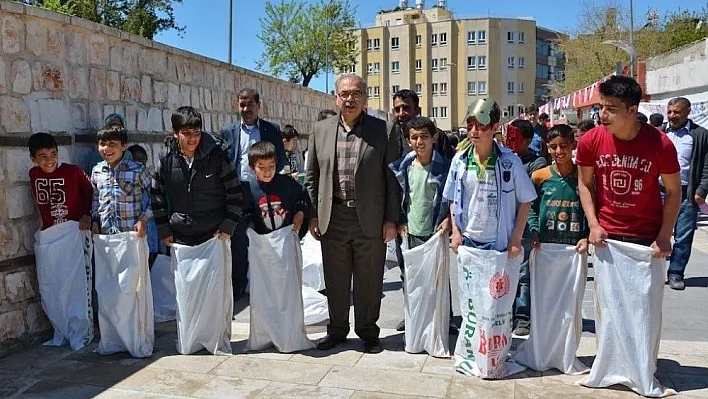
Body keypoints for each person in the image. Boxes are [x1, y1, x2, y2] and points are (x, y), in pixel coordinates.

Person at [575, 76, 680, 393]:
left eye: (611, 109)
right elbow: (585, 185)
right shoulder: (591, 141)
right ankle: (608, 369)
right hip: (608, 238)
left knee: (644, 314)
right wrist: (593, 223)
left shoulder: (659, 143)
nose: (603, 115)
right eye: (601, 107)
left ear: (633, 110)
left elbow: (674, 192)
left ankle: (642, 371)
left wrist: (665, 234)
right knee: (609, 313)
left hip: (646, 240)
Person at [305, 74, 400, 354]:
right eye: (344, 94)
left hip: (369, 217)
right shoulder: (320, 130)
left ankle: (368, 331)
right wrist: (314, 214)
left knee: (368, 278)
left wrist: (391, 219)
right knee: (335, 278)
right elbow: (312, 177)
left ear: (365, 98)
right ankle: (336, 330)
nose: (350, 99)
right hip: (332, 215)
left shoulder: (382, 131)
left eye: (356, 93)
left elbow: (393, 179)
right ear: (336, 98)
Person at [388, 116, 455, 334]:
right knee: (412, 277)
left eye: (424, 137)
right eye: (414, 138)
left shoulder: (445, 167)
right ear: (408, 141)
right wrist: (401, 220)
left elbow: (452, 198)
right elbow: (400, 196)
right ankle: (413, 316)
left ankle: (443, 318)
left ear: (434, 138)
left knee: (438, 278)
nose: (420, 142)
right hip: (411, 231)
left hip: (435, 231)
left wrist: (449, 220)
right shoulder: (404, 166)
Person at [220, 88, 287, 302]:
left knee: (265, 236)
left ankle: (268, 284)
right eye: (242, 104)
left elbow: (282, 159)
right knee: (239, 239)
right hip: (238, 190)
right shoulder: (228, 131)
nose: (246, 109)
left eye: (250, 104)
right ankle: (238, 286)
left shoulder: (271, 129)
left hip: (263, 189)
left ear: (259, 105)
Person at [152, 106, 242, 247]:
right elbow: (157, 196)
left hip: (215, 236)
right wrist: (164, 230)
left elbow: (235, 192)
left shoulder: (217, 156)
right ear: (175, 133)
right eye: (186, 133)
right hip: (180, 238)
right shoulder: (166, 159)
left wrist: (228, 225)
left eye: (196, 133)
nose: (192, 139)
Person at [664, 97, 708, 290]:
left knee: (683, 237)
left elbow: (707, 166)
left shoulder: (699, 135)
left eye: (677, 112)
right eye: (670, 112)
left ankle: (675, 273)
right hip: (658, 193)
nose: (672, 116)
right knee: (653, 233)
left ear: (688, 112)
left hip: (685, 194)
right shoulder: (659, 134)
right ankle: (652, 272)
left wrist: (701, 190)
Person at [508, 119, 547, 336]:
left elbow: (532, 194)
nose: (509, 141)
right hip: (504, 225)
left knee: (523, 275)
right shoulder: (503, 158)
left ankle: (522, 317)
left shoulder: (536, 163)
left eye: (515, 138)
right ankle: (506, 314)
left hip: (524, 225)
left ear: (529, 140)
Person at [529, 124, 588, 251]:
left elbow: (592, 209)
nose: (559, 151)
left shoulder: (584, 176)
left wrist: (586, 236)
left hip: (576, 248)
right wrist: (534, 230)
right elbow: (530, 208)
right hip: (545, 246)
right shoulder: (539, 176)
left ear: (574, 145)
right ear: (548, 148)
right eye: (554, 147)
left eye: (564, 146)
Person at [90, 126, 152, 237]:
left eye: (112, 144)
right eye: (102, 144)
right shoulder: (97, 171)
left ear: (124, 146)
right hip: (105, 236)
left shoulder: (138, 170)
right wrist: (95, 220)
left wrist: (143, 220)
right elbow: (95, 199)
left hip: (132, 235)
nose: (106, 149)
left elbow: (150, 200)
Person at [242, 141, 310, 238]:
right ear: (252, 167)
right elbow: (246, 212)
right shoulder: (250, 189)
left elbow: (303, 196)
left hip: (287, 239)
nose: (267, 171)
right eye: (261, 167)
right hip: (262, 244)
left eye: (271, 165)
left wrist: (301, 212)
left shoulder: (287, 183)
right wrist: (250, 228)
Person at [29, 133, 93, 231]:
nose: (49, 160)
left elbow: (91, 191)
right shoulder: (34, 174)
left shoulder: (73, 171)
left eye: (53, 154)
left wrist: (87, 214)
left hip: (76, 229)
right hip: (49, 232)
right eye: (43, 156)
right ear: (33, 159)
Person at [127, 145, 160, 267]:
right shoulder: (128, 182)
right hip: (135, 235)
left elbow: (155, 201)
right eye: (136, 159)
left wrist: (143, 219)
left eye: (143, 158)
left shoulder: (147, 179)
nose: (140, 161)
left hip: (150, 235)